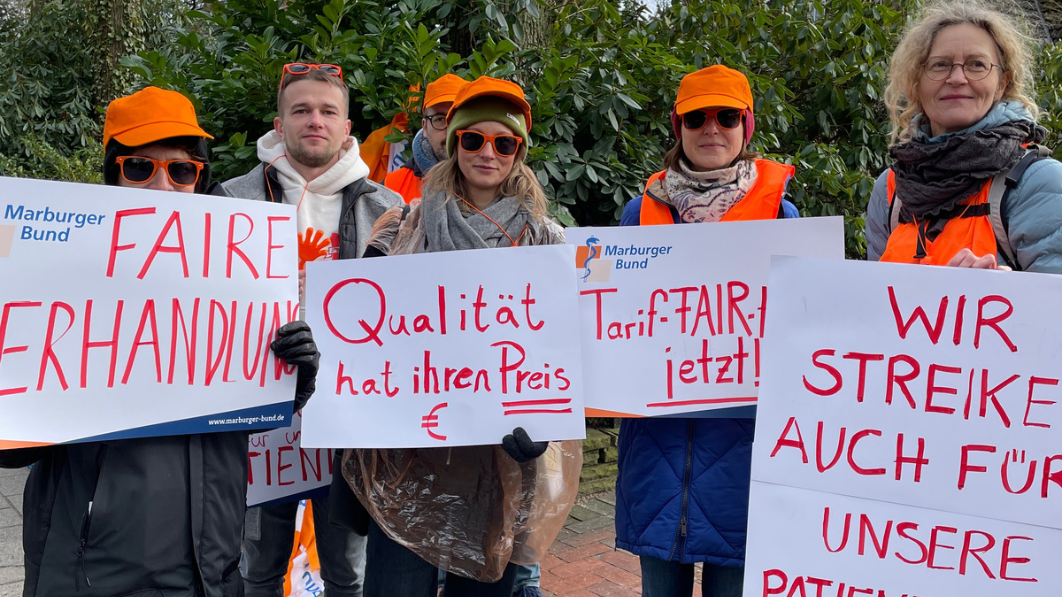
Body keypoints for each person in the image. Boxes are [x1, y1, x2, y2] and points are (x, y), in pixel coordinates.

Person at [0, 86, 320, 597]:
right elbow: (10, 452)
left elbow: (247, 417)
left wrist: (290, 381)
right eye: (139, 167)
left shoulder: (240, 279)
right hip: (92, 573)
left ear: (199, 180)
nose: (162, 187)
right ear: (112, 175)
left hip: (210, 571)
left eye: (181, 170)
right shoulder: (52, 277)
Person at [347, 76, 582, 597]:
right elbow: (362, 333)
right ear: (453, 143)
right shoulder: (401, 225)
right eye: (473, 139)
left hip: (500, 469)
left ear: (519, 151)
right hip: (408, 463)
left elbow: (563, 353)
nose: (488, 153)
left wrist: (548, 422)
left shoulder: (547, 241)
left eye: (505, 142)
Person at [615, 64, 798, 597]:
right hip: (656, 448)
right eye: (696, 117)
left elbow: (802, 331)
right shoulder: (636, 214)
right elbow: (610, 318)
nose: (711, 128)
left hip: (745, 450)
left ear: (747, 126)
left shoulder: (783, 219)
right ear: (678, 127)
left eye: (726, 116)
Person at [223, 63, 401, 597]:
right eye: (300, 110)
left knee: (348, 569)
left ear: (348, 127)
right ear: (279, 124)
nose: (314, 120)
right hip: (259, 413)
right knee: (258, 564)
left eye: (328, 111)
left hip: (346, 419)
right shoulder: (231, 201)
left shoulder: (389, 209)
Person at [866, 1, 1062, 272]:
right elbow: (875, 304)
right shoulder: (891, 190)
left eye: (976, 64)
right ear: (916, 82)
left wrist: (1012, 297)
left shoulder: (1038, 183)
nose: (957, 77)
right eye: (940, 65)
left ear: (1001, 84)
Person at [385, 73, 467, 203]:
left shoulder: (493, 184)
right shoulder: (391, 188)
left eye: (457, 118)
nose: (450, 129)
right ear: (424, 126)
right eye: (440, 119)